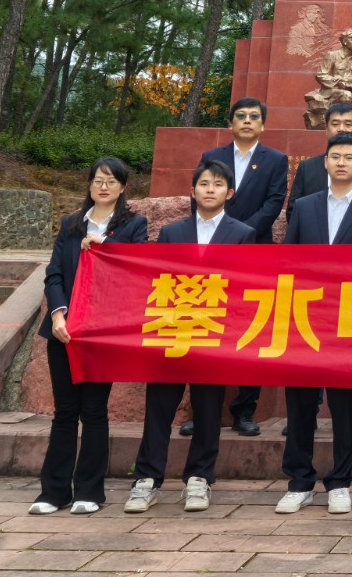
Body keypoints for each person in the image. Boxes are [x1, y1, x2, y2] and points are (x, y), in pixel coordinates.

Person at [125, 160, 255, 515]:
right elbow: (159, 277)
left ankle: (200, 478)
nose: (210, 189)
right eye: (204, 183)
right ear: (192, 190)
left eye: (218, 184)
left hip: (215, 333)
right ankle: (147, 479)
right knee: (159, 407)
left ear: (230, 193)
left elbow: (245, 286)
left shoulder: (243, 234)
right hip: (173, 329)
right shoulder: (172, 232)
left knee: (209, 409)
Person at [274, 132, 352, 515]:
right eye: (335, 156)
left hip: (351, 322)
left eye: (349, 157)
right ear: (325, 162)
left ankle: (340, 481)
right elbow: (289, 262)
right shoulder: (305, 206)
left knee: (345, 406)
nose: (341, 162)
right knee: (300, 404)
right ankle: (299, 481)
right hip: (305, 318)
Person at [30, 158, 148, 516]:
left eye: (111, 181)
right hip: (65, 331)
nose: (103, 187)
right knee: (64, 411)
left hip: (101, 332)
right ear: (90, 185)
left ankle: (89, 491)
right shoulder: (71, 224)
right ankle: (54, 492)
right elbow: (54, 274)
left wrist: (105, 245)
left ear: (123, 187)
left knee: (94, 411)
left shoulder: (133, 224)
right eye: (97, 180)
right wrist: (58, 313)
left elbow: (138, 268)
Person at [197, 97, 286, 438]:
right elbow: (202, 198)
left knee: (252, 332)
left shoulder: (275, 159)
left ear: (263, 124)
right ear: (231, 122)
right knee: (208, 329)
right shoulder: (212, 157)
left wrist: (239, 233)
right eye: (241, 116)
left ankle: (245, 410)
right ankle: (204, 412)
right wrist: (222, 235)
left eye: (254, 116)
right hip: (213, 254)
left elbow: (274, 203)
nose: (247, 121)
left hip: (255, 252)